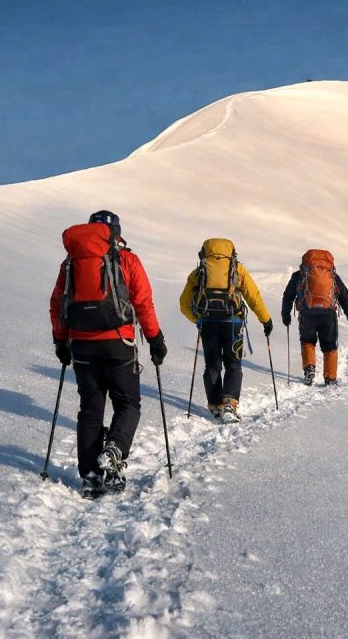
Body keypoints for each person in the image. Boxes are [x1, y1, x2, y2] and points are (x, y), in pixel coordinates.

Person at [50, 210, 167, 499]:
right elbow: (142, 302)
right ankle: (115, 448)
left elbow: (57, 305)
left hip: (82, 345)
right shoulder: (127, 259)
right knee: (128, 404)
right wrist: (155, 339)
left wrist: (61, 342)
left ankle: (90, 476)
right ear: (115, 232)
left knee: (90, 409)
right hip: (119, 343)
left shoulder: (70, 264)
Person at [179, 238, 272, 422]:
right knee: (233, 364)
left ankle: (215, 405)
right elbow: (253, 296)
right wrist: (265, 319)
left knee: (212, 365)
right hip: (233, 322)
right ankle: (230, 403)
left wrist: (198, 320)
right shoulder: (237, 269)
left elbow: (184, 303)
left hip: (208, 322)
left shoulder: (199, 272)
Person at [281, 249, 348, 386]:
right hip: (328, 314)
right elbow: (344, 295)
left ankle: (309, 367)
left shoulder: (300, 275)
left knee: (307, 341)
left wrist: (285, 314)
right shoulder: (332, 275)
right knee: (330, 345)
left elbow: (288, 295)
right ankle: (330, 378)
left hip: (307, 312)